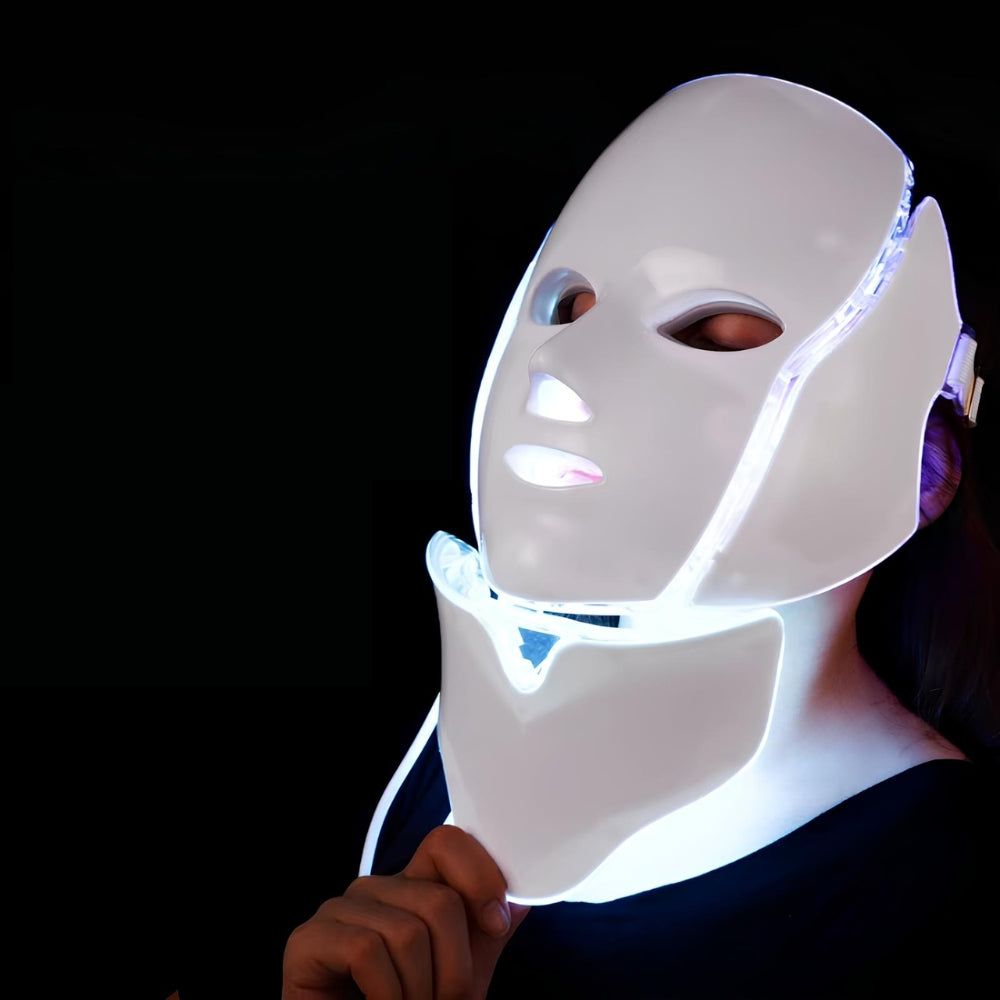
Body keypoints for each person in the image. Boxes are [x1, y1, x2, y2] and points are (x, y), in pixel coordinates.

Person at [282, 73, 1000, 998]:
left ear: (926, 463)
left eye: (706, 333)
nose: (562, 369)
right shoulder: (454, 765)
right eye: (567, 307)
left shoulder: (946, 891)